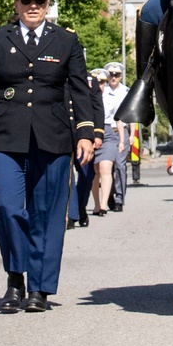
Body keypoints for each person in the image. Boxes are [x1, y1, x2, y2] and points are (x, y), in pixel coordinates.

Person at [0, 0, 95, 314]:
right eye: (26, 0)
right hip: (4, 136)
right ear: (16, 2)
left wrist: (84, 133)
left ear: (48, 2)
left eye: (39, 0)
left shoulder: (66, 40)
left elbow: (81, 91)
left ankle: (39, 288)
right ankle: (15, 278)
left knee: (48, 214)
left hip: (52, 137)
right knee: (7, 207)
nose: (33, 5)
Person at [67, 70, 104, 230]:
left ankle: (81, 206)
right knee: (66, 175)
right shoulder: (55, 74)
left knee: (87, 175)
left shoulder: (90, 79)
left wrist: (98, 133)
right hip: (65, 133)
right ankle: (71, 214)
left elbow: (97, 106)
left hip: (85, 134)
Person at [102, 63, 130, 211]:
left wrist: (131, 136)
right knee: (107, 167)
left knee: (120, 165)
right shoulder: (102, 90)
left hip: (121, 131)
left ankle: (119, 198)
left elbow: (131, 115)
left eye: (116, 74)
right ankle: (109, 196)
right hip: (105, 130)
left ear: (121, 76)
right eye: (111, 74)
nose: (113, 77)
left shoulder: (126, 92)